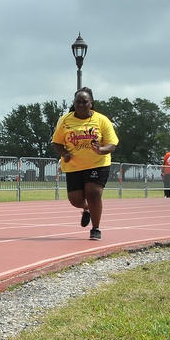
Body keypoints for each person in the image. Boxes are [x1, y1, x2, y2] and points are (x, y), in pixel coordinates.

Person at [52, 87, 119, 241]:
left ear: (91, 103)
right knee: (75, 200)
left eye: (85, 102)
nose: (81, 105)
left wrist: (101, 149)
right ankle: (88, 209)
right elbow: (57, 142)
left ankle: (95, 229)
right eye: (78, 102)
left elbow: (112, 144)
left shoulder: (101, 120)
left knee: (93, 194)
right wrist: (64, 154)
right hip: (74, 165)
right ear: (74, 103)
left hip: (97, 163)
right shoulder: (65, 120)